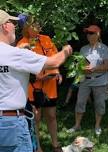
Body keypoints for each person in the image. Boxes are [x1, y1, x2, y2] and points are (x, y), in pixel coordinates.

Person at [0, 9, 72, 152]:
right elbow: (54, 62)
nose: (15, 26)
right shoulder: (15, 54)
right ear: (5, 26)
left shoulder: (14, 52)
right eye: (13, 23)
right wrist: (65, 50)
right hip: (11, 124)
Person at [17, 16, 64, 152]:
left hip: (50, 86)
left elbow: (55, 58)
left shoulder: (47, 39)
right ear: (26, 27)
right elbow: (22, 68)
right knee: (35, 118)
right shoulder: (21, 44)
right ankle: (37, 147)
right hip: (33, 87)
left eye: (39, 24)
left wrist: (58, 72)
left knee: (51, 115)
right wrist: (38, 78)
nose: (39, 27)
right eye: (35, 25)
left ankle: (55, 145)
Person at [68, 25, 108, 135]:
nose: (89, 35)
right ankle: (77, 125)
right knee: (80, 102)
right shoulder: (83, 49)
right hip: (85, 81)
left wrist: (94, 68)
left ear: (98, 34)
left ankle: (97, 126)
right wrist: (81, 68)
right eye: (87, 33)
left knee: (99, 103)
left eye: (91, 33)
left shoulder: (103, 48)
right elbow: (81, 65)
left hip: (100, 81)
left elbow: (107, 66)